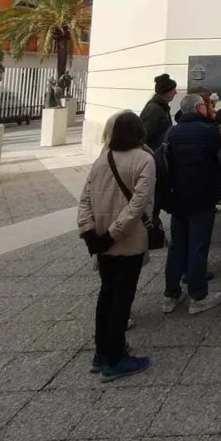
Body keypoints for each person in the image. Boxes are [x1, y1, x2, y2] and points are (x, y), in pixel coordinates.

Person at [77, 111, 155, 381]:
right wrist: (113, 234)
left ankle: (101, 352)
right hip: (126, 241)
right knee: (122, 298)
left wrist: (90, 233)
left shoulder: (102, 160)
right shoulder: (145, 159)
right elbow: (138, 205)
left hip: (102, 241)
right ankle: (115, 359)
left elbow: (84, 200)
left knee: (106, 295)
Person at [162, 94, 221, 316]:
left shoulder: (172, 132)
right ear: (199, 108)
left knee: (177, 246)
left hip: (178, 196)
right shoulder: (209, 131)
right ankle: (198, 295)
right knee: (198, 246)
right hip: (202, 196)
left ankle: (171, 293)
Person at [139, 74, 177, 151]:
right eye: (173, 90)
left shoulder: (161, 107)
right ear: (166, 92)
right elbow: (144, 135)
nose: (176, 92)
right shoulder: (154, 109)